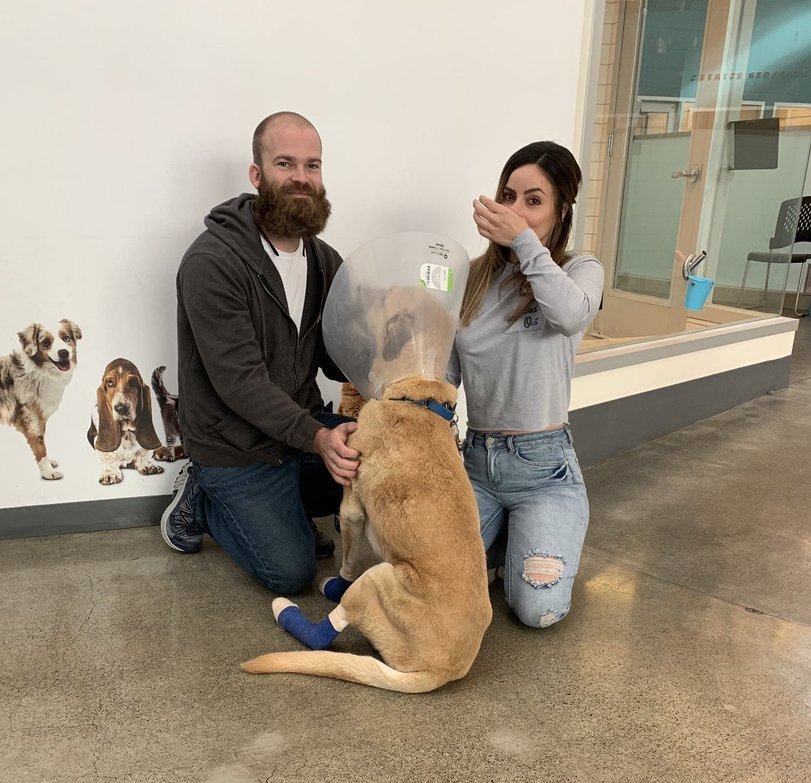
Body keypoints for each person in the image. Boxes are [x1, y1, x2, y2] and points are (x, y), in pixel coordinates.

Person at [160, 112, 360, 595]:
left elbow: (337, 357)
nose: (301, 179)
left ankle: (285, 508)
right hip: (235, 448)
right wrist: (316, 437)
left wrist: (387, 343)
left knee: (387, 459)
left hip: (295, 433)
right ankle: (201, 498)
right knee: (291, 575)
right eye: (285, 164)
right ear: (257, 175)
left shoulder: (324, 260)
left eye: (312, 166)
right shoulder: (212, 262)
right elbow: (239, 382)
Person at [447, 141, 604, 628]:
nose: (515, 211)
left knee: (536, 610)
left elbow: (570, 315)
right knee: (432, 578)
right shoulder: (471, 279)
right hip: (475, 463)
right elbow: (446, 378)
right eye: (508, 197)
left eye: (534, 201)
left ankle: (524, 540)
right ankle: (500, 542)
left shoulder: (579, 270)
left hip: (545, 471)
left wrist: (524, 244)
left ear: (560, 213)